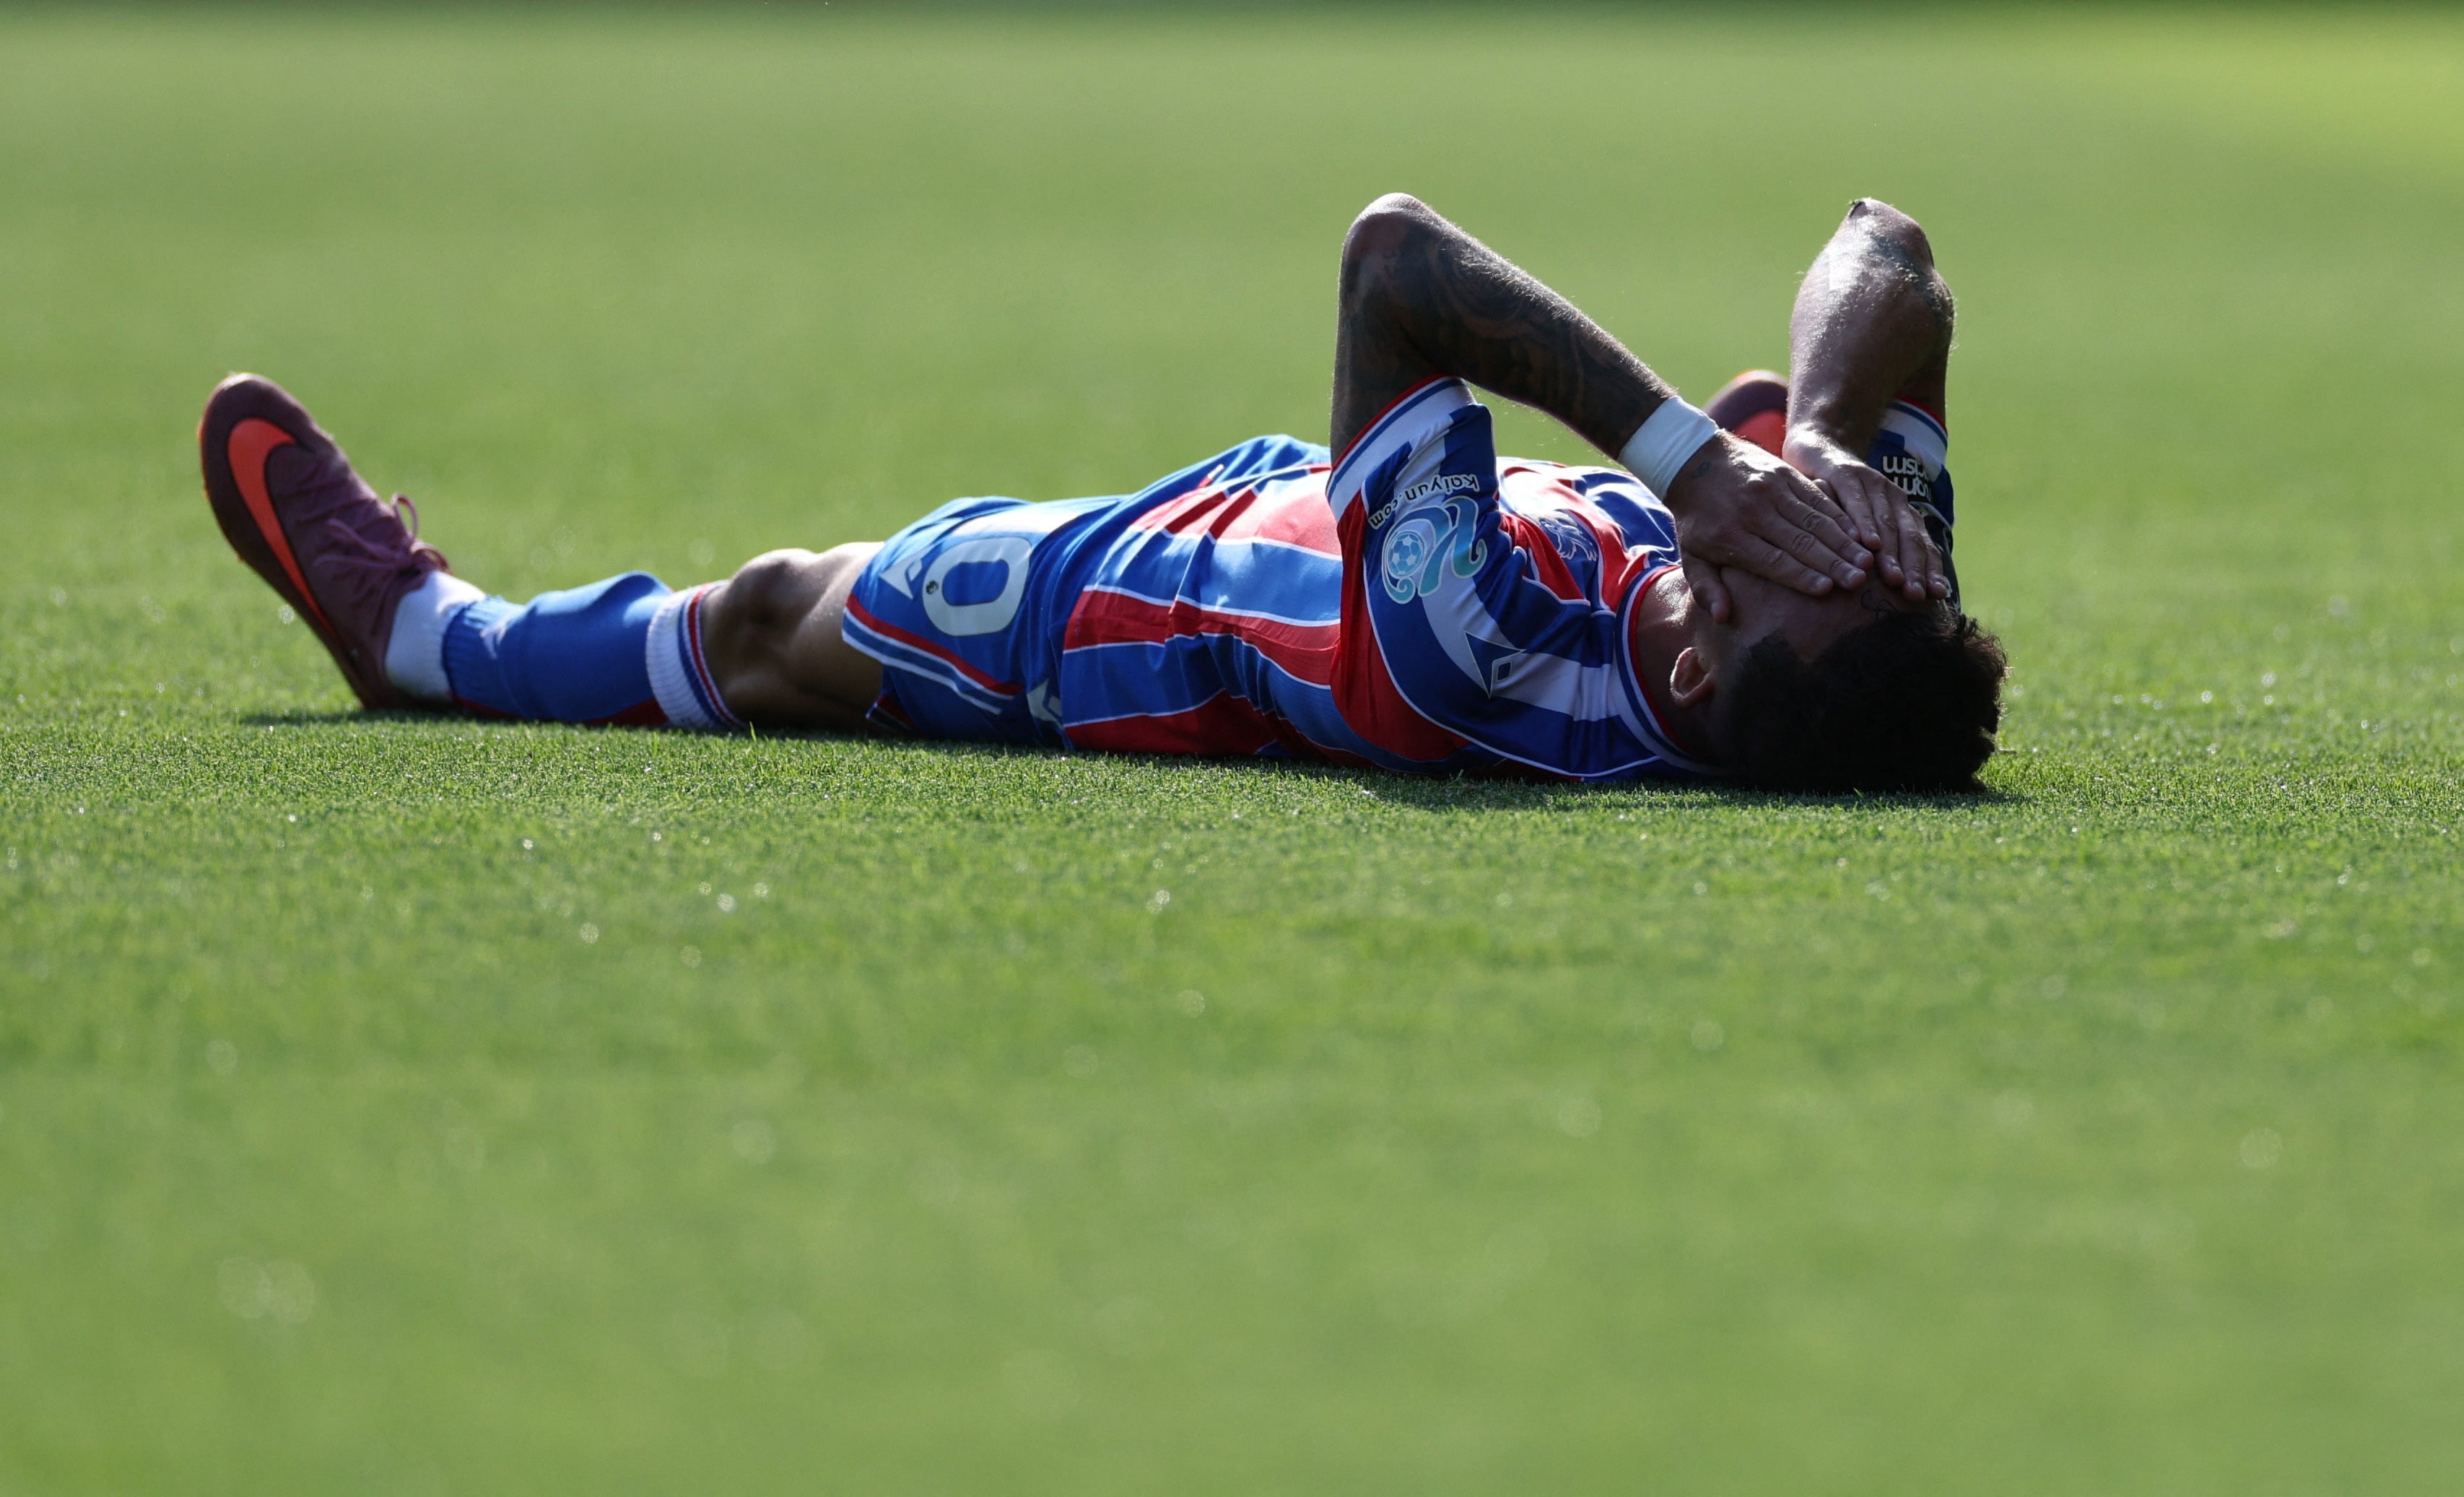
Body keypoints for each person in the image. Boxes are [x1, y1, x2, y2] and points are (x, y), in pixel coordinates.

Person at [199, 196, 2003, 791]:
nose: (1804, 530)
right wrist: (1834, 452)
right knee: (1813, 383)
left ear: (1692, 668)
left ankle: (427, 640)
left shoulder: (1488, 645)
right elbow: (1886, 243)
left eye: (1783, 557)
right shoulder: (1853, 615)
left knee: (767, 619)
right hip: (1300, 509)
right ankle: (443, 639)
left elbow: (1394, 263)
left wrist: (1699, 460)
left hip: (1120, 619)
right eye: (1862, 537)